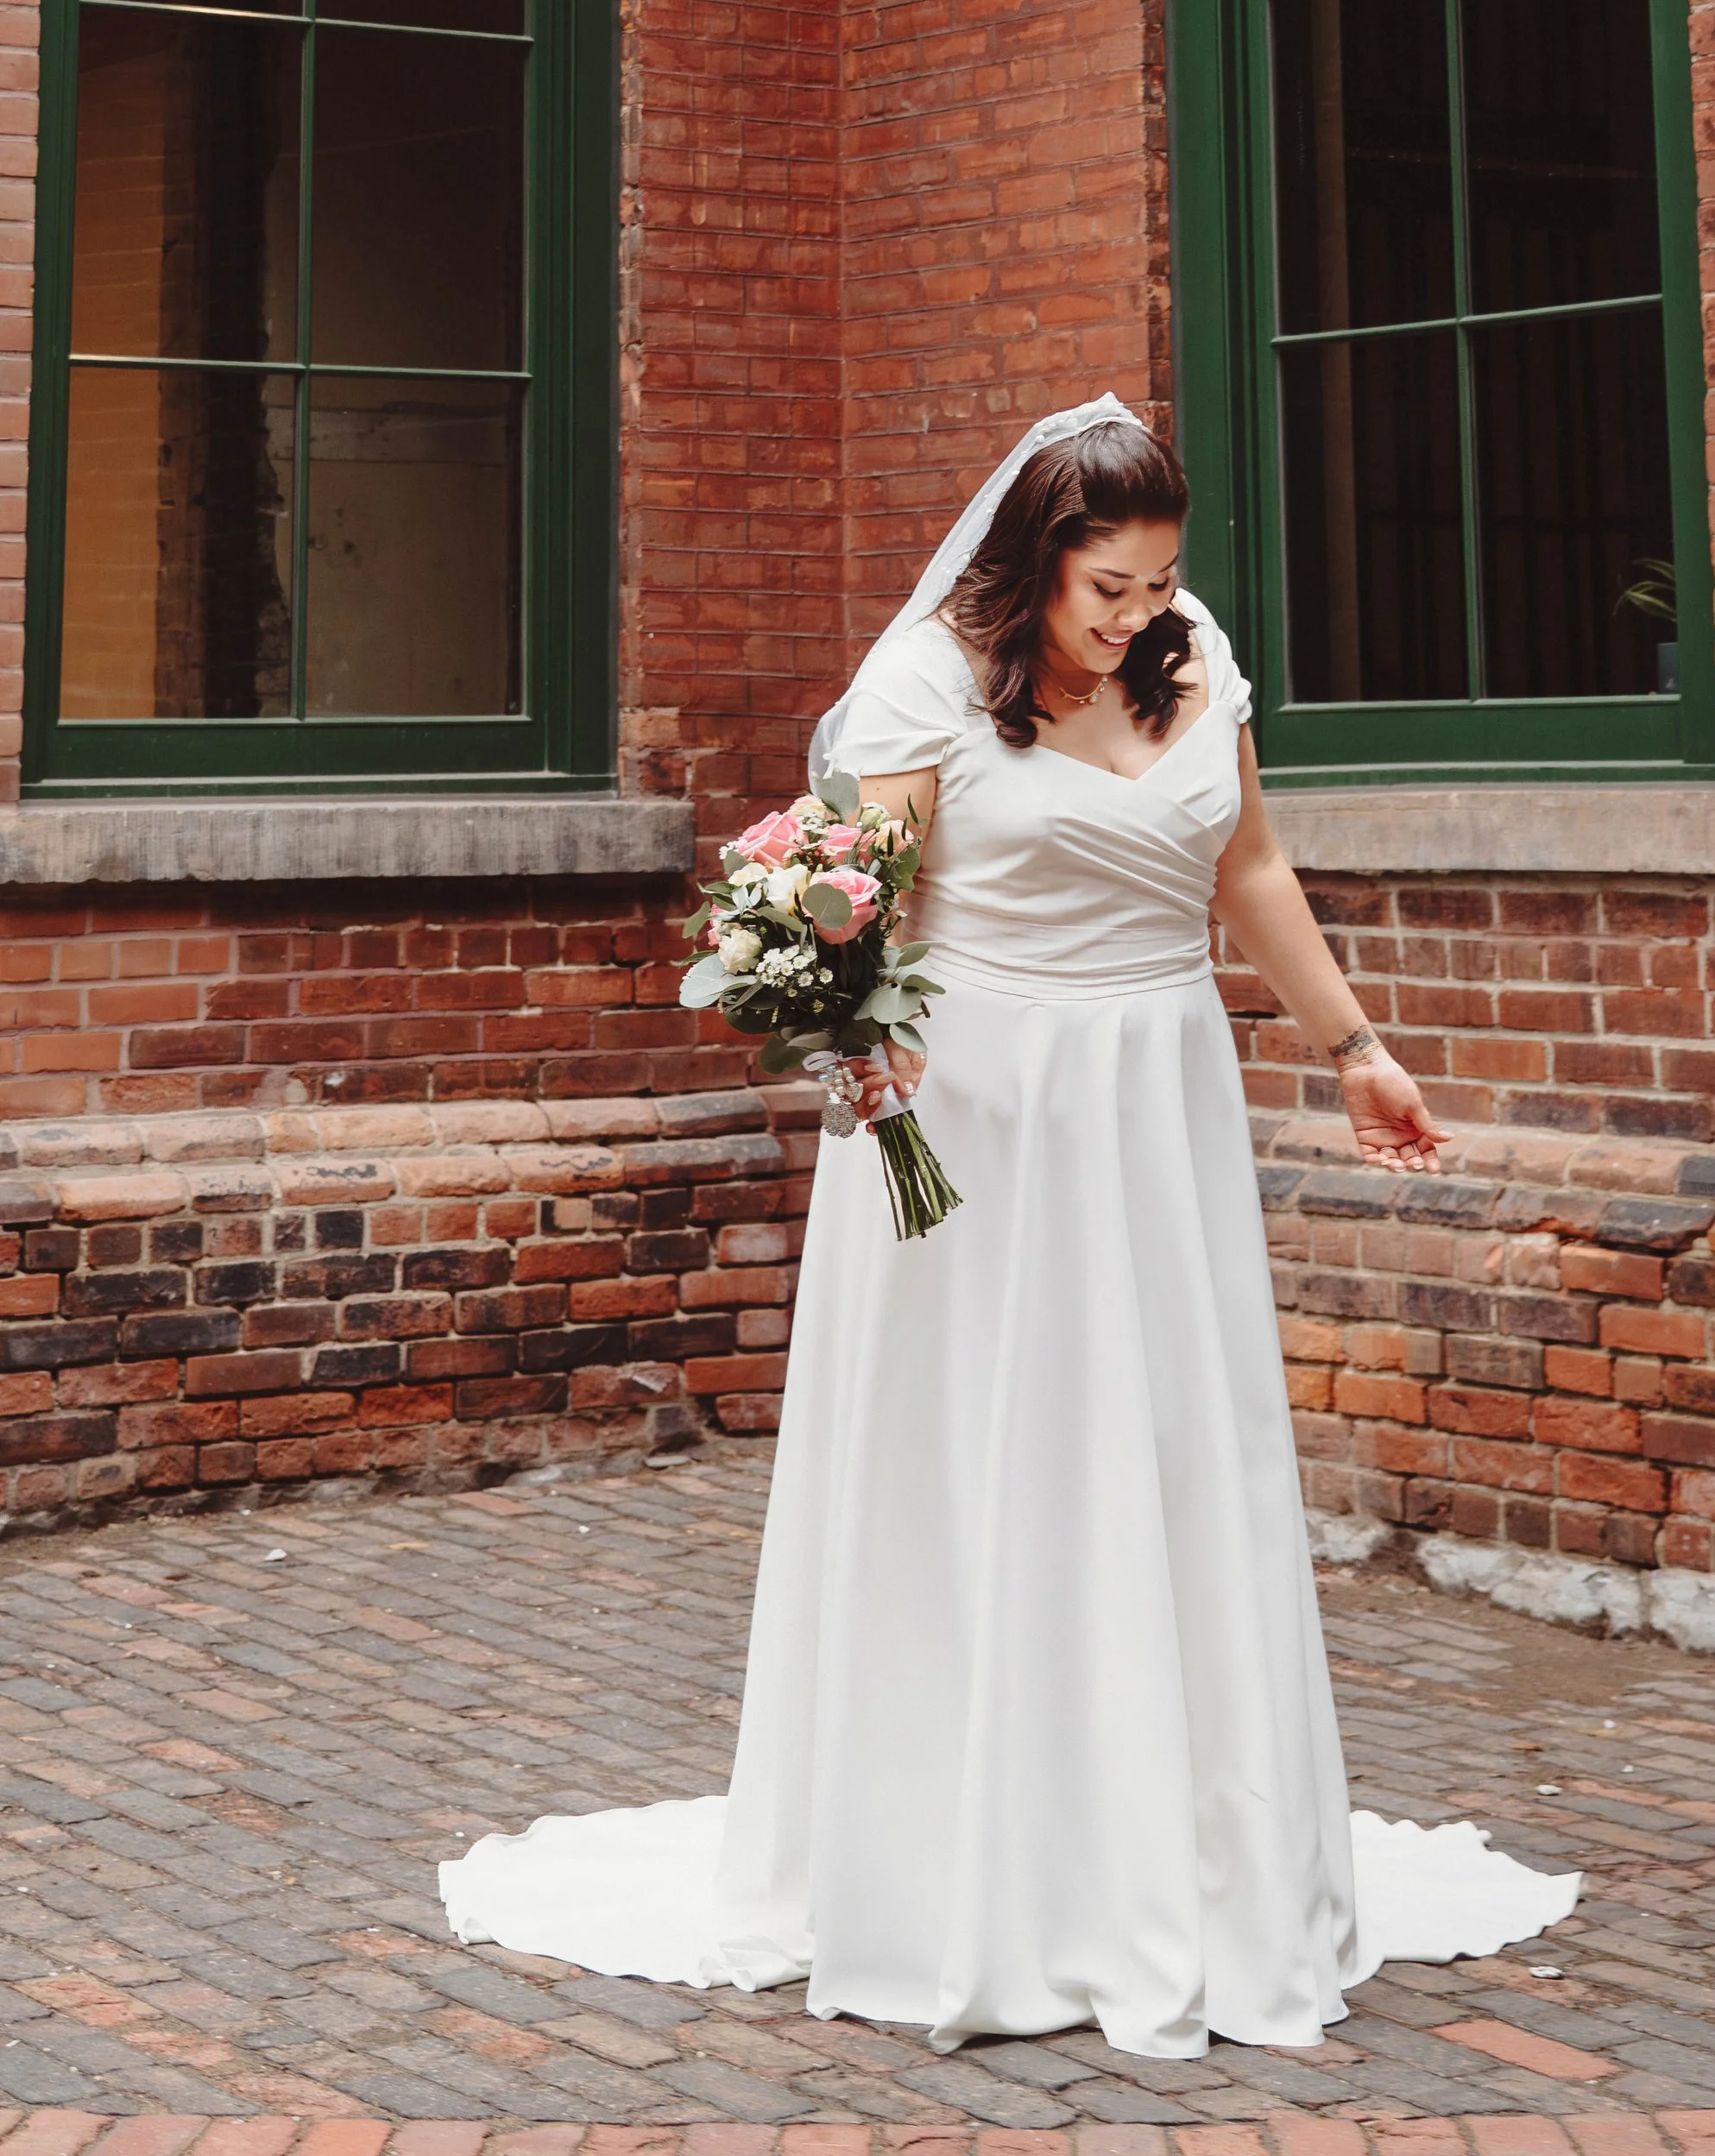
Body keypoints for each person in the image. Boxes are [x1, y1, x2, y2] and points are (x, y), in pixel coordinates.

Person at [441, 396, 1576, 2057]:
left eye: (1161, 580)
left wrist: (1355, 1047)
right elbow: (869, 905)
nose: (1138, 615)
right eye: (1108, 586)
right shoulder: (930, 686)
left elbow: (1248, 863)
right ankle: (974, 1862)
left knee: (1171, 1447)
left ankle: (1183, 1852)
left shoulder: (1190, 659)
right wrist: (857, 1033)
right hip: (974, 1110)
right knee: (989, 1456)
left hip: (1155, 1092)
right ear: (1037, 560)